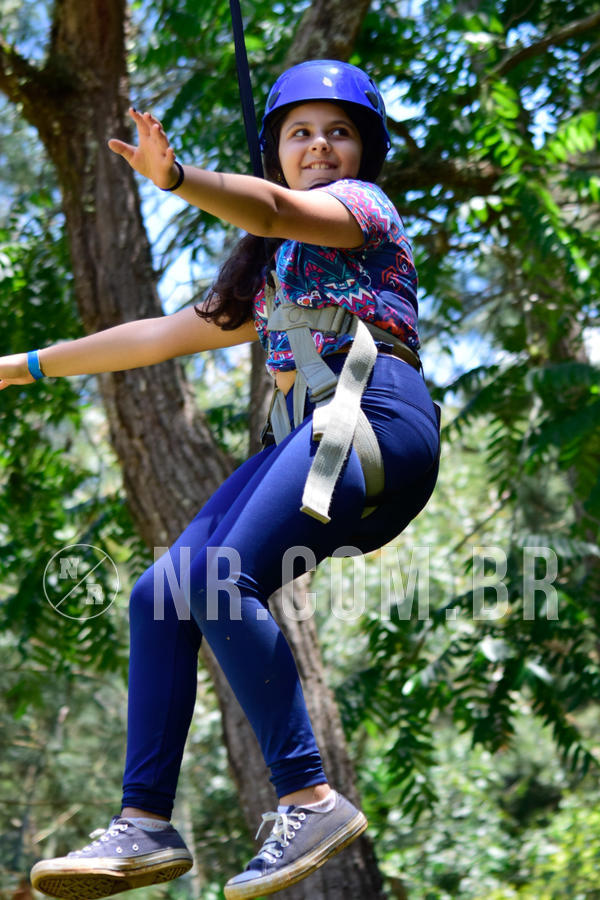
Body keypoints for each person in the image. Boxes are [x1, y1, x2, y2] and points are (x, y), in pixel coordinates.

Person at [2, 60, 440, 900]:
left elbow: (271, 208)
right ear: (277, 149)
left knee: (219, 575)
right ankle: (144, 825)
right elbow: (153, 337)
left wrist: (176, 179)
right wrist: (19, 367)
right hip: (314, 435)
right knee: (162, 593)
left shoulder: (365, 210)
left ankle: (309, 798)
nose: (320, 146)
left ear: (363, 153)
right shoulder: (272, 277)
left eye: (339, 132)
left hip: (372, 416)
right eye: (300, 133)